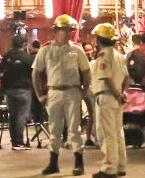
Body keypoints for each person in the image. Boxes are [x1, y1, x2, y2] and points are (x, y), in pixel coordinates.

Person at [32, 14, 90, 176]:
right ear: (56, 31)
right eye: (65, 30)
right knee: (54, 128)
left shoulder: (77, 50)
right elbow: (36, 73)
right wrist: (39, 94)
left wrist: (84, 91)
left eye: (69, 30)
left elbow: (86, 71)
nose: (68, 33)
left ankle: (79, 163)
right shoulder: (46, 49)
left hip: (72, 91)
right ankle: (53, 163)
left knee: (74, 129)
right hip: (54, 91)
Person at [90, 23, 128, 178]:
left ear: (99, 39)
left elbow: (105, 77)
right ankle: (120, 165)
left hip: (106, 96)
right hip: (117, 98)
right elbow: (126, 77)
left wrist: (116, 93)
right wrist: (122, 93)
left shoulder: (104, 55)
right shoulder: (119, 55)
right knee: (118, 132)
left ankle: (109, 168)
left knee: (106, 133)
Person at [0, 35, 33, 150]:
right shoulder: (26, 57)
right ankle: (18, 142)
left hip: (9, 89)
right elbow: (32, 72)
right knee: (21, 115)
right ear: (24, 44)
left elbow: (0, 71)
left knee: (13, 115)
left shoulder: (7, 56)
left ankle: (14, 141)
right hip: (23, 89)